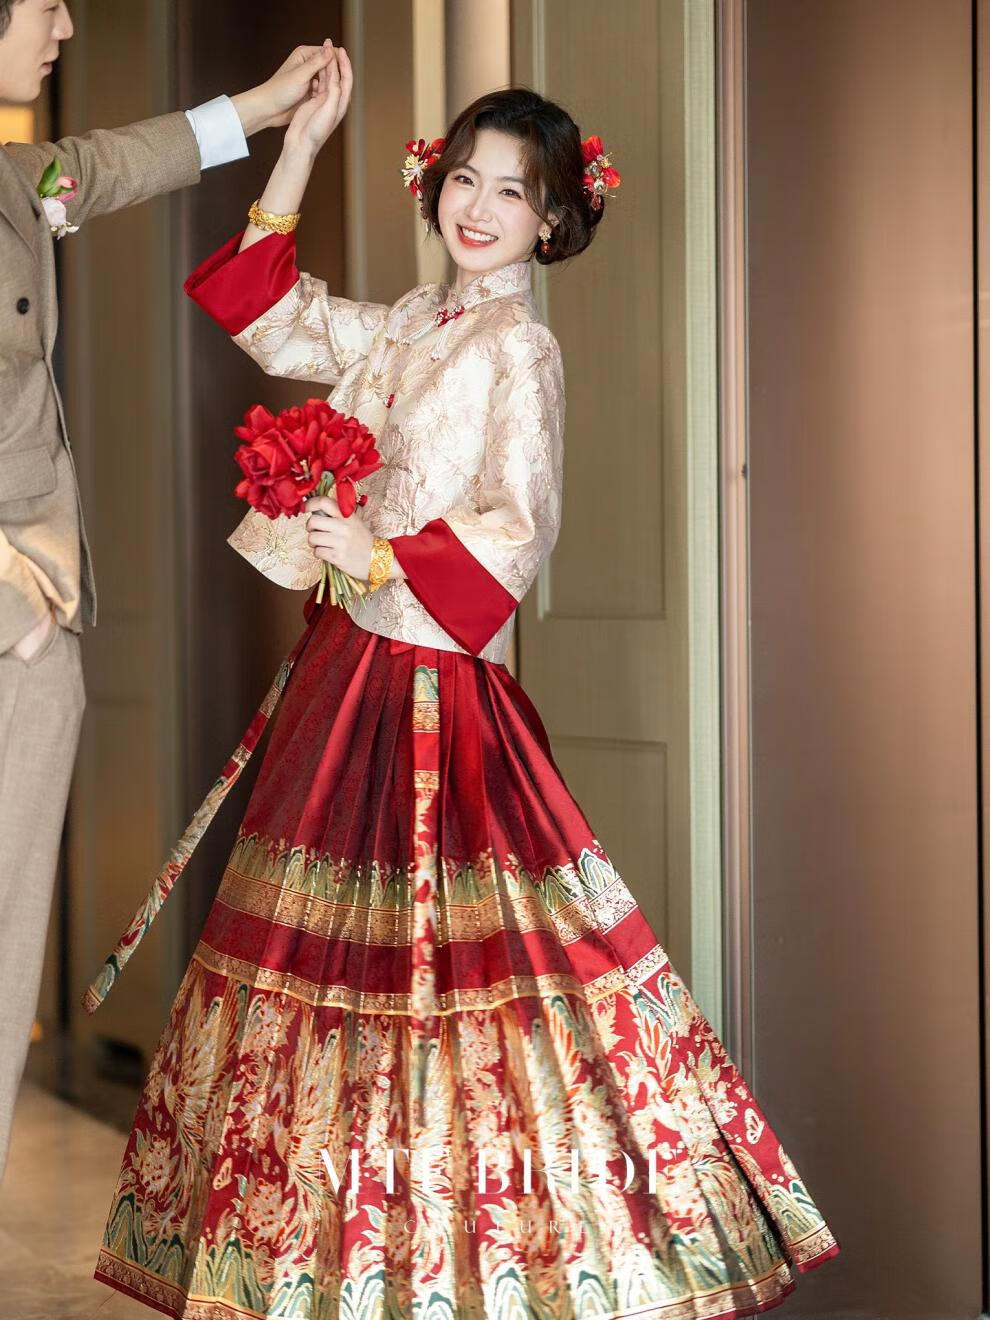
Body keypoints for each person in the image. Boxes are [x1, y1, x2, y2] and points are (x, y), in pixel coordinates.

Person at [92, 41, 840, 1320]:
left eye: (512, 191)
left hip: (436, 691)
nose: (479, 207)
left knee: (450, 970)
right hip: (350, 670)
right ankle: (332, 1259)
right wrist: (301, 145)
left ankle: (478, 1260)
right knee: (340, 969)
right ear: (434, 186)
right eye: (465, 179)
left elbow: (520, 523)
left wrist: (378, 551)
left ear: (552, 222)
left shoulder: (519, 349)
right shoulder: (406, 322)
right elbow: (263, 308)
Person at [0, 0, 340, 1182]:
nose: (67, 24)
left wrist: (266, 111)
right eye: (45, 2)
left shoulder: (16, 178)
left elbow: (105, 166)